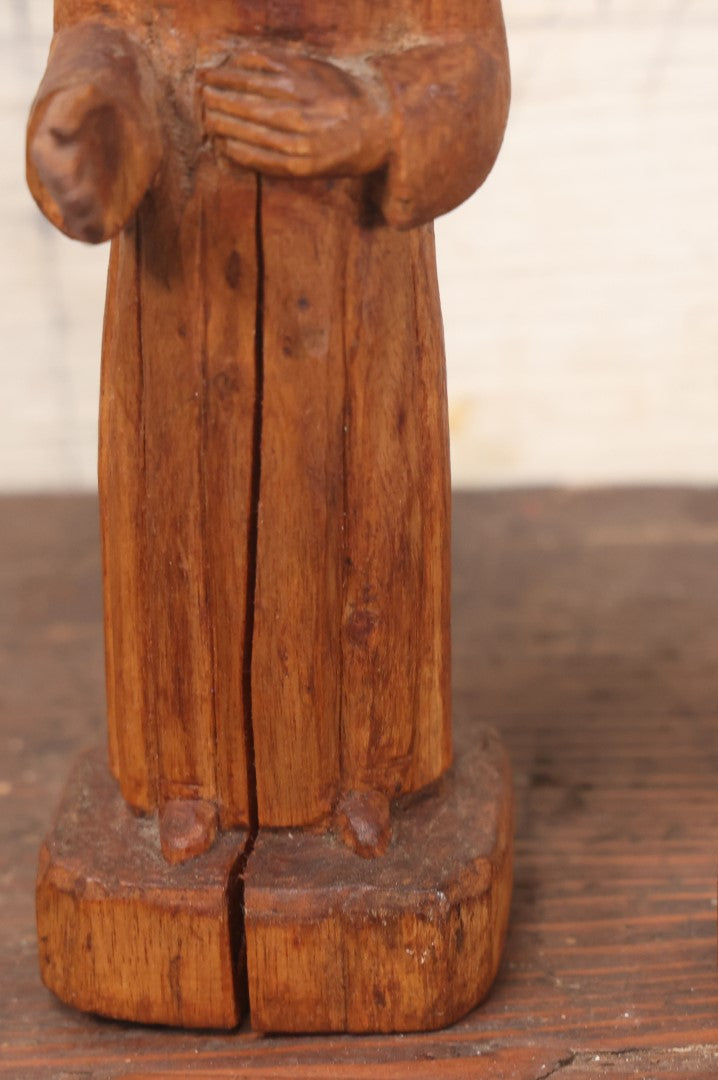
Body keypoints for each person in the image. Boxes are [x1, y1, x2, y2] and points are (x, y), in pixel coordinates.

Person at [27, 0, 510, 862]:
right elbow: (102, 37)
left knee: (363, 527)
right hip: (181, 291)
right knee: (178, 533)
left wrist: (375, 118)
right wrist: (92, 124)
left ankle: (367, 770)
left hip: (354, 283)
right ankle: (182, 776)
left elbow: (466, 62)